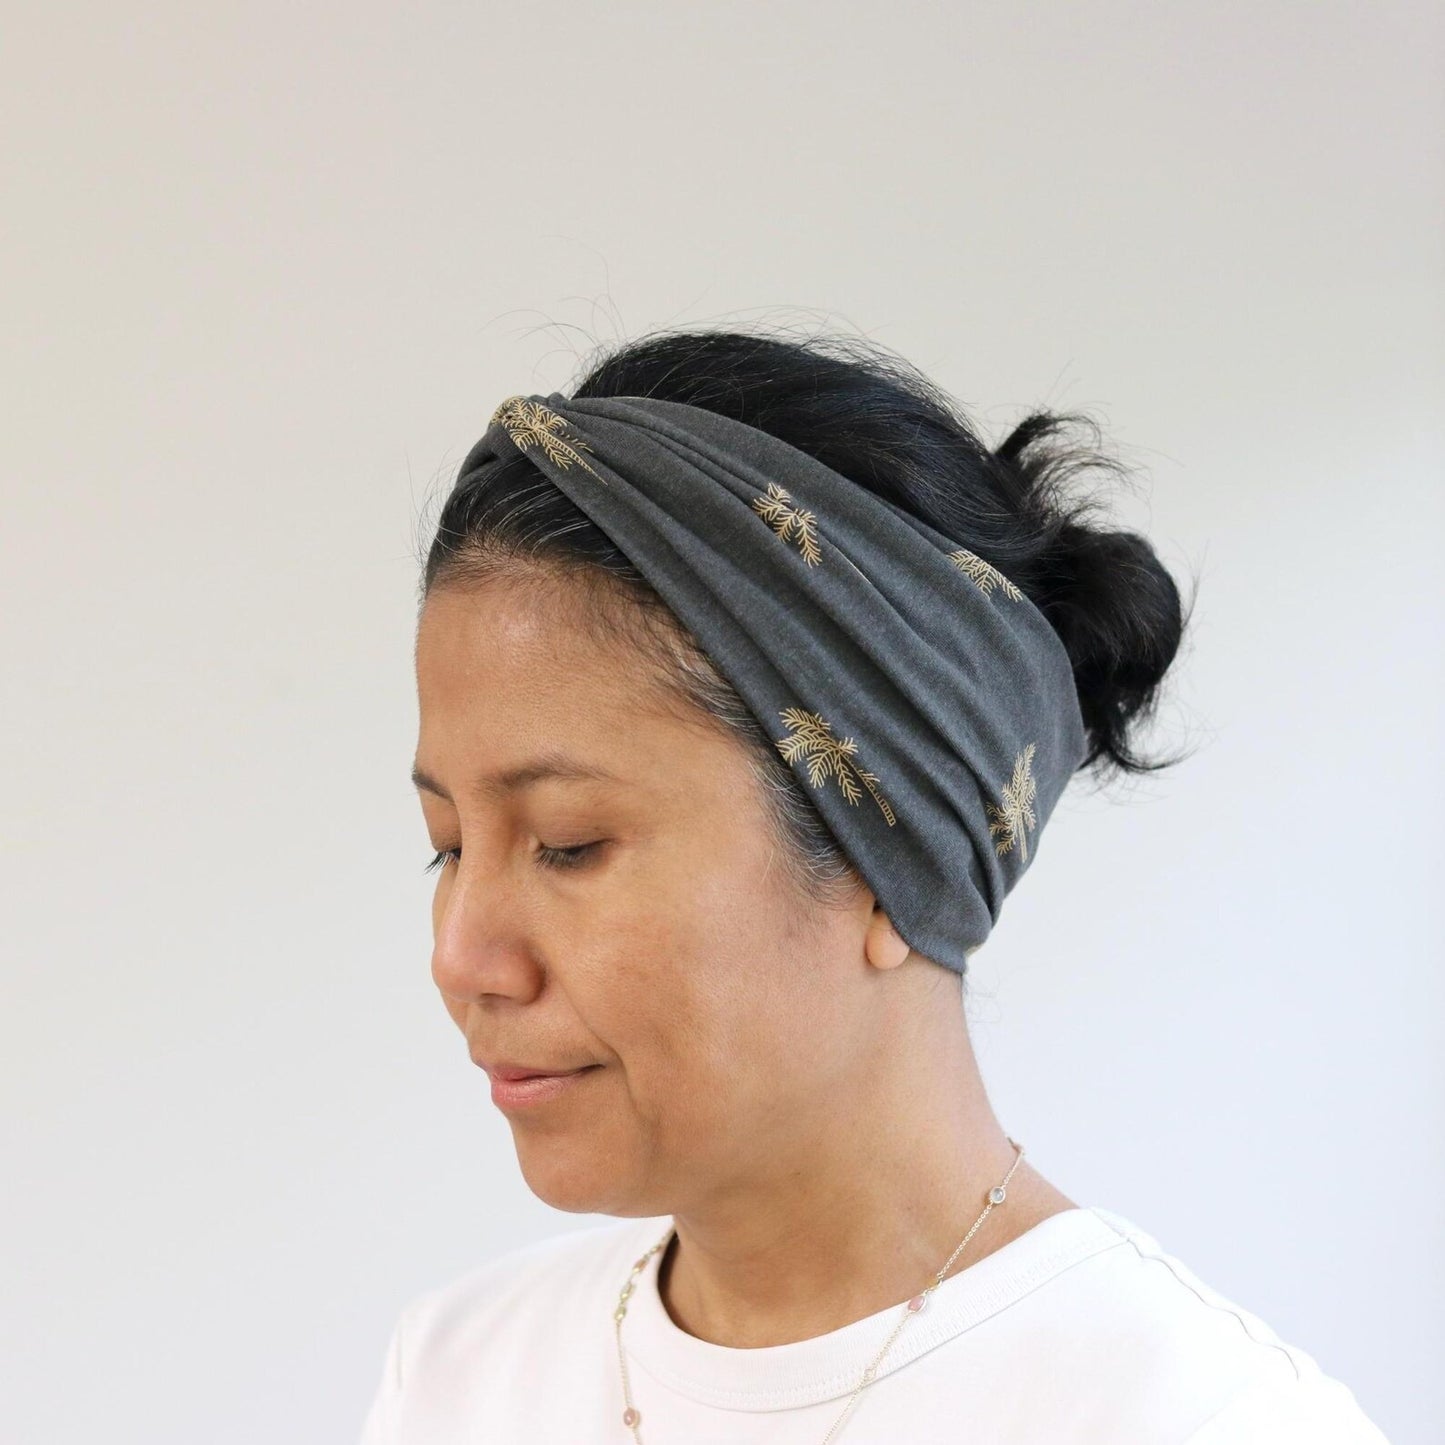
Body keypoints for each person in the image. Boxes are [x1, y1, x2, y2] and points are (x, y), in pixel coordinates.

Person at [360, 327, 1388, 1442]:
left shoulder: (1196, 1416)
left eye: (565, 843)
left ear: (884, 862)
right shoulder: (456, 1372)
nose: (459, 958)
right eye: (447, 845)